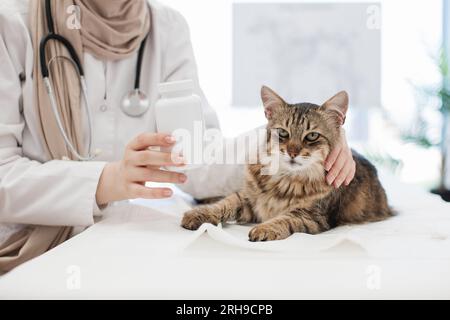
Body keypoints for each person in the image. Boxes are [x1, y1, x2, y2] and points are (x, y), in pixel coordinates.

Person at [0, 0, 355, 272]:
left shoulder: (167, 28)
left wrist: (309, 142)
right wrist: (104, 181)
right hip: (33, 243)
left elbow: (197, 159)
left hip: (121, 244)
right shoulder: (11, 21)